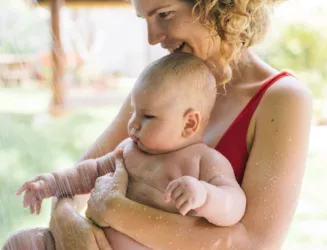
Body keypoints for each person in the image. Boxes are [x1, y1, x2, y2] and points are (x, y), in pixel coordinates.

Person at [2, 0, 313, 249]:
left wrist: (113, 209)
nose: (153, 37)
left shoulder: (282, 99)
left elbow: (253, 243)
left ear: (216, 6)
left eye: (164, 13)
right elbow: (79, 181)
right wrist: (70, 226)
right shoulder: (160, 88)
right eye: (145, 19)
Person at [15, 53, 246, 250]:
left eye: (148, 116)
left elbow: (234, 206)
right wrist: (51, 183)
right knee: (22, 243)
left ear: (189, 124)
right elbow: (89, 172)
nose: (133, 124)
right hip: (90, 242)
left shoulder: (204, 161)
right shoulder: (129, 150)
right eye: (133, 112)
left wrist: (204, 195)